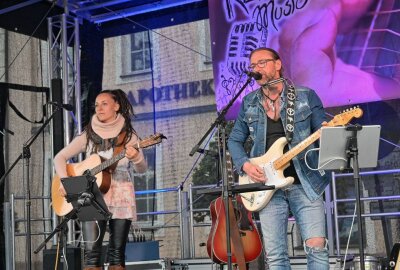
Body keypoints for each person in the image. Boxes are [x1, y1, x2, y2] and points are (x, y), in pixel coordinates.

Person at [227, 47, 330, 269]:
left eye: (262, 63)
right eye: (253, 66)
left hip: (305, 181)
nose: (256, 69)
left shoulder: (305, 96)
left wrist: (329, 131)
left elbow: (324, 132)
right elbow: (234, 140)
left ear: (278, 64)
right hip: (266, 185)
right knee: (275, 256)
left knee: (317, 245)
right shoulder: (249, 103)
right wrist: (245, 164)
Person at [54, 89, 147, 270]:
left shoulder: (129, 136)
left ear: (116, 106)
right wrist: (66, 181)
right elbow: (60, 157)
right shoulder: (87, 134)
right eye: (96, 105)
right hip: (91, 194)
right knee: (91, 254)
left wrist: (136, 157)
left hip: (121, 193)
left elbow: (141, 169)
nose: (99, 108)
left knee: (117, 255)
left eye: (104, 103)